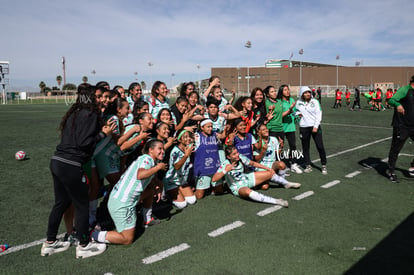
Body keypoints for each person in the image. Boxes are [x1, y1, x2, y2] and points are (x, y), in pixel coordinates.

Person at [41, 84, 113, 259]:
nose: (99, 99)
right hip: (71, 165)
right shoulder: (90, 114)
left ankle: (49, 243)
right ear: (89, 98)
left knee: (61, 203)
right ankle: (83, 245)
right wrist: (103, 134)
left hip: (57, 161)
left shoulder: (73, 113)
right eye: (96, 96)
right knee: (81, 206)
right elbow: (84, 142)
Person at [91, 139, 167, 245]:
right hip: (123, 203)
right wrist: (158, 168)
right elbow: (140, 175)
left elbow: (150, 178)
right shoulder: (147, 159)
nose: (163, 151)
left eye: (163, 148)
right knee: (127, 239)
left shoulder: (148, 160)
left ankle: (147, 219)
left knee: (150, 190)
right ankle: (92, 235)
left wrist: (159, 185)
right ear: (150, 150)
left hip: (122, 198)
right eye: (160, 148)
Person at [212, 145, 288, 206]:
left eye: (237, 152)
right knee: (248, 192)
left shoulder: (240, 157)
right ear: (228, 157)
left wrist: (268, 168)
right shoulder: (225, 164)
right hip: (238, 187)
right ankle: (276, 201)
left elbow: (253, 163)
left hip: (247, 178)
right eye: (234, 154)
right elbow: (214, 179)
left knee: (270, 173)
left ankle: (287, 184)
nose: (237, 155)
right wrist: (225, 171)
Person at [386, 75, 414, 183]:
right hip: (401, 126)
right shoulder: (404, 90)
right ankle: (391, 172)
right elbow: (391, 100)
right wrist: (398, 104)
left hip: (413, 125)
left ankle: (413, 167)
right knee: (395, 149)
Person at [295, 86, 327, 175]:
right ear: (302, 94)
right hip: (303, 127)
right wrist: (297, 115)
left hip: (315, 127)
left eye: (308, 92)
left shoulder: (315, 102)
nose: (308, 94)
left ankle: (323, 165)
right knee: (305, 147)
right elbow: (295, 112)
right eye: (305, 92)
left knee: (320, 146)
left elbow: (318, 114)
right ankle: (308, 165)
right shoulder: (298, 102)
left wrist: (316, 126)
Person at [163, 129, 197, 209]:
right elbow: (176, 166)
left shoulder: (188, 147)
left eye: (189, 137)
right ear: (179, 139)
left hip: (181, 180)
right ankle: (168, 194)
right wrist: (186, 155)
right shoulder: (175, 151)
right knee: (182, 204)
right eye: (185, 137)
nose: (188, 139)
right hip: (172, 180)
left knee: (192, 200)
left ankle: (179, 190)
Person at [276, 84, 303, 174]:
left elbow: (294, 112)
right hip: (281, 128)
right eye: (285, 90)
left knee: (293, 146)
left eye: (288, 89)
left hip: (291, 127)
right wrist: (289, 110)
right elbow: (279, 116)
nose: (287, 91)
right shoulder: (278, 102)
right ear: (281, 92)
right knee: (280, 147)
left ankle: (293, 164)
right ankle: (278, 166)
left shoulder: (291, 100)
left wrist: (298, 115)